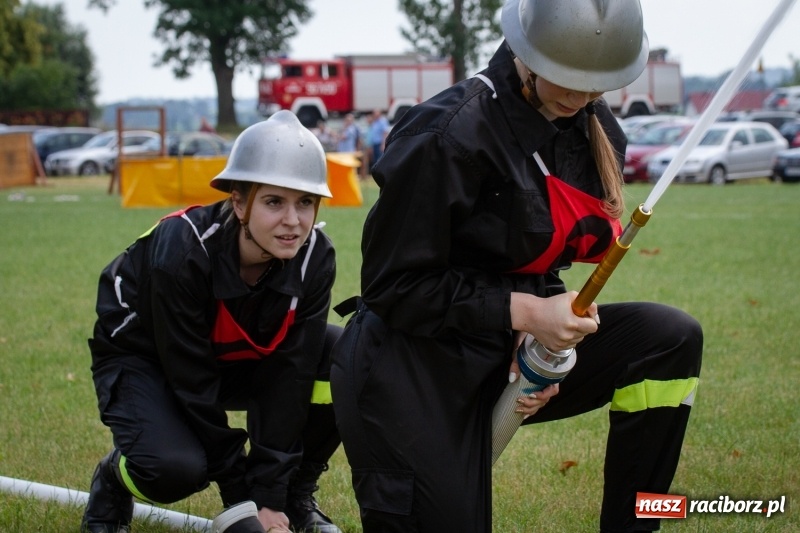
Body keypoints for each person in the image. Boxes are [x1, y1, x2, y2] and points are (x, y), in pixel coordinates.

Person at [329, 1, 703, 532]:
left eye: (597, 84)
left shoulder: (590, 128)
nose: (580, 97)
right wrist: (527, 312)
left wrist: (543, 342)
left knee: (669, 337)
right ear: (528, 51)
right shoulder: (448, 133)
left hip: (504, 349)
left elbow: (536, 250)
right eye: (566, 78)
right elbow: (394, 287)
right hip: (409, 368)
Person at [82, 110, 343, 533]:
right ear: (239, 202)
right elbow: (190, 377)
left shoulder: (316, 258)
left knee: (342, 354)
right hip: (149, 361)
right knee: (175, 469)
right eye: (274, 202)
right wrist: (241, 501)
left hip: (230, 361)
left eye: (306, 202)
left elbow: (290, 376)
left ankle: (295, 496)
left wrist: (270, 497)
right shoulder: (182, 251)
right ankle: (114, 477)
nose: (293, 221)